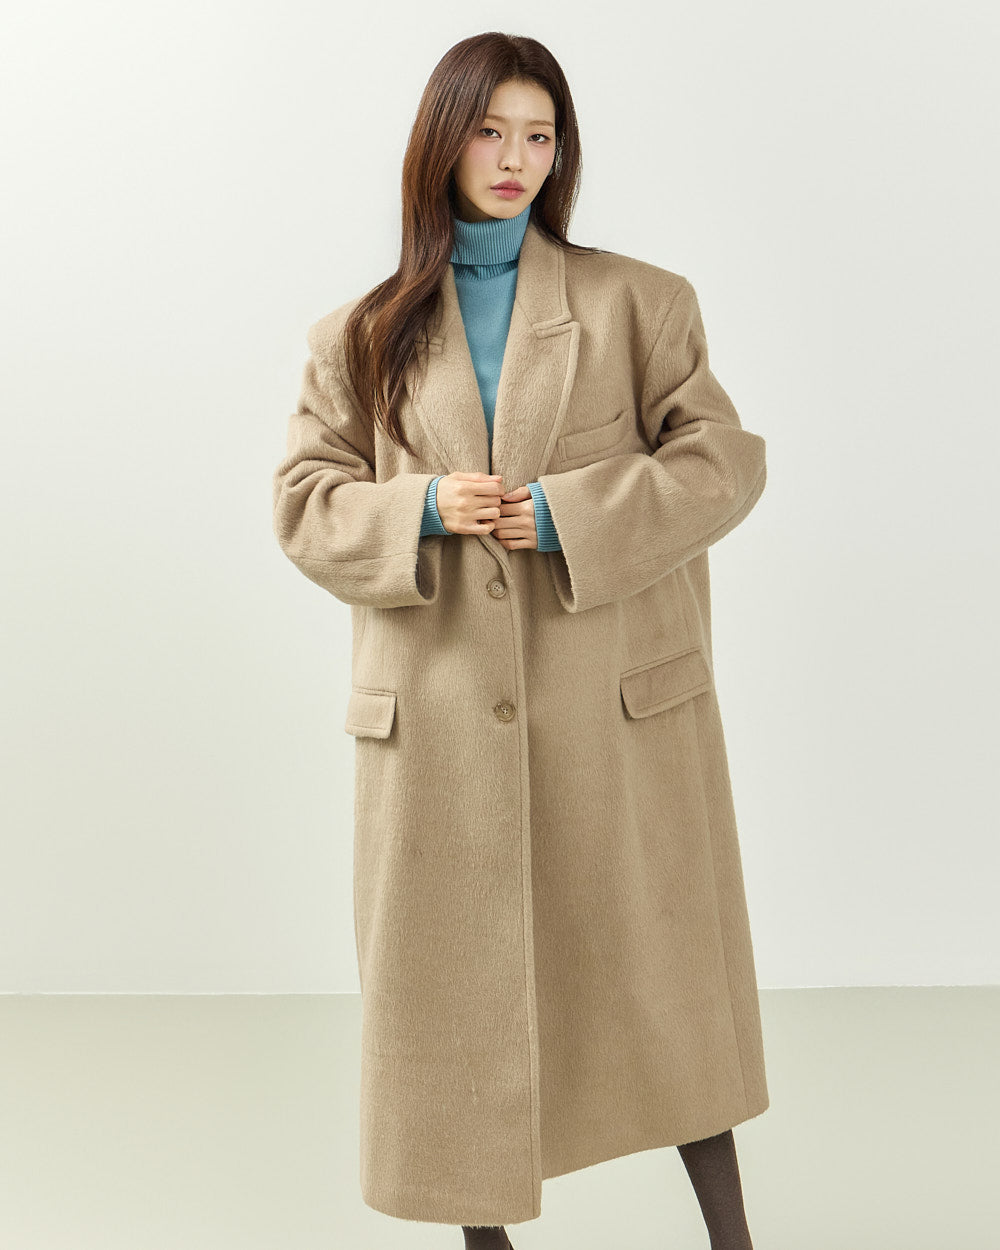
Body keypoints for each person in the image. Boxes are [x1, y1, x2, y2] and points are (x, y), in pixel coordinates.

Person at [272, 31, 769, 1250]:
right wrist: (421, 507)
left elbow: (723, 463)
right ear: (442, 142)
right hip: (437, 719)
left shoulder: (640, 301)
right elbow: (303, 504)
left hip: (615, 715)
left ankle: (734, 1237)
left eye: (538, 135)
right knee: (454, 1003)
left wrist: (562, 513)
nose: (514, 158)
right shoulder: (360, 333)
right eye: (490, 131)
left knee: (662, 987)